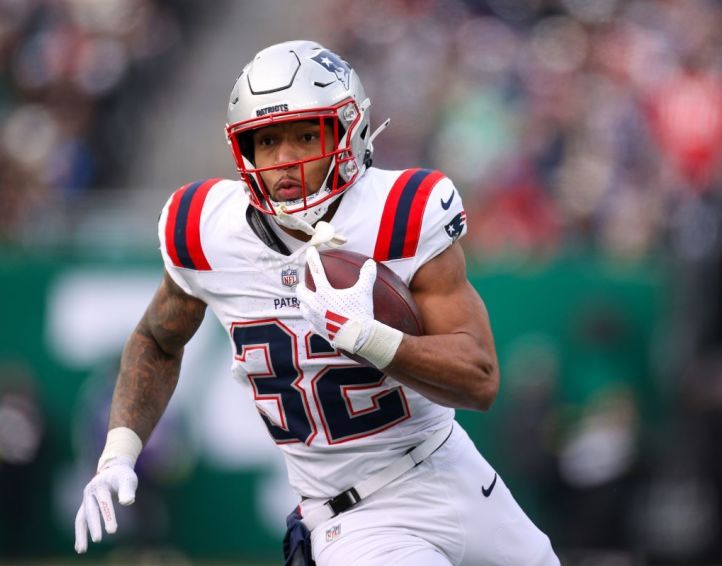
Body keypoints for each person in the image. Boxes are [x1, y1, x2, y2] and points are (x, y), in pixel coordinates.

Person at [74, 40, 560, 565]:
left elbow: (480, 378)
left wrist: (367, 337)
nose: (283, 161)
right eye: (266, 141)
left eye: (306, 136)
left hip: (450, 468)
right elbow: (156, 340)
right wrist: (118, 452)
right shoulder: (208, 231)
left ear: (348, 132)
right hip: (354, 515)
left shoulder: (400, 213)